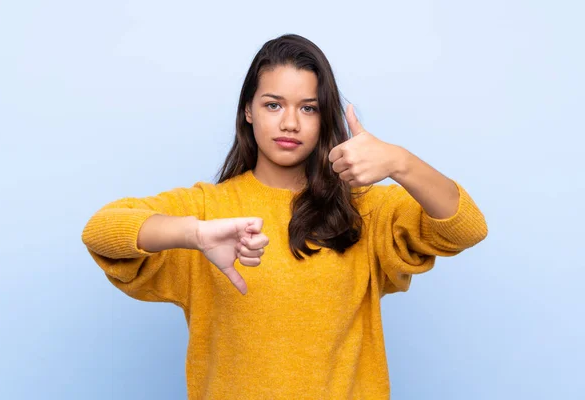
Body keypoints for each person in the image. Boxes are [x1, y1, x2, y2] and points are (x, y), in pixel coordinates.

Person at [82, 33, 487, 399]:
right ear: (248, 111)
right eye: (273, 104)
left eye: (308, 108)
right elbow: (101, 230)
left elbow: (467, 227)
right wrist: (193, 234)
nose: (290, 123)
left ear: (323, 117)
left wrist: (401, 162)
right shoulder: (208, 211)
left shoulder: (363, 209)